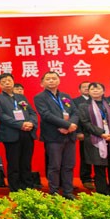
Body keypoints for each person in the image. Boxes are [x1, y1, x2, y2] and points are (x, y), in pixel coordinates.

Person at [33, 71, 79, 200]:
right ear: (42, 83)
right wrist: (67, 125)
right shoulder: (40, 97)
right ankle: (54, 192)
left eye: (54, 78)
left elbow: (75, 112)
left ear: (59, 81)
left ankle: (68, 192)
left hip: (69, 135)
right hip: (53, 136)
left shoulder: (65, 96)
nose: (51, 81)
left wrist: (70, 126)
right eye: (48, 79)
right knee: (54, 166)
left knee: (69, 165)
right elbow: (46, 114)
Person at [78, 82, 110, 202]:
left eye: (98, 88)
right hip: (95, 140)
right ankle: (102, 195)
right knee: (99, 169)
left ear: (103, 91)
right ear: (89, 92)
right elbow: (85, 122)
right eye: (92, 89)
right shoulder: (84, 106)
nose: (95, 91)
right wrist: (101, 133)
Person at [0, 73, 38, 192]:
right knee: (14, 163)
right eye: (3, 82)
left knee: (26, 162)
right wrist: (20, 125)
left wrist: (31, 123)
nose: (7, 83)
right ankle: (15, 188)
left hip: (27, 133)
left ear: (13, 82)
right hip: (11, 134)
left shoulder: (21, 97)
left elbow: (32, 112)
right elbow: (0, 116)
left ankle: (27, 187)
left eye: (9, 80)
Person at [73, 81, 95, 190]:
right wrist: (78, 132)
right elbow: (75, 118)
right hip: (84, 133)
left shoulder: (97, 100)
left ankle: (98, 178)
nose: (86, 88)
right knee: (85, 156)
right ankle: (86, 179)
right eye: (84, 87)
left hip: (98, 133)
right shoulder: (75, 101)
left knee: (100, 156)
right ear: (79, 90)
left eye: (89, 87)